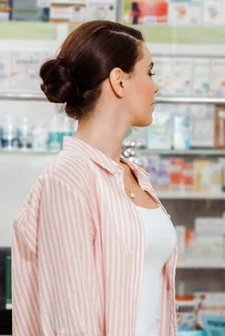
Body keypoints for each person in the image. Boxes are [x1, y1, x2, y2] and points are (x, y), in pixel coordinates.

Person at [11, 20, 177, 336]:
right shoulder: (68, 179)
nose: (156, 86)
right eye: (149, 72)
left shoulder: (134, 176)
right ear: (119, 81)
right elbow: (71, 320)